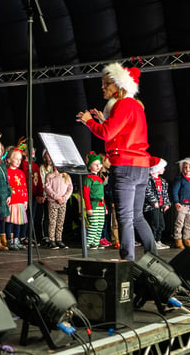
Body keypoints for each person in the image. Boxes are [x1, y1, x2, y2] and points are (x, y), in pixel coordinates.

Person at [77, 63, 156, 260]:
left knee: (125, 218)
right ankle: (153, 258)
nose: (103, 88)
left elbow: (107, 134)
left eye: (106, 84)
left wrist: (89, 121)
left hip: (126, 167)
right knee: (137, 216)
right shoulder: (136, 107)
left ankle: (127, 261)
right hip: (141, 166)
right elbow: (121, 132)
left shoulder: (122, 104)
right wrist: (101, 119)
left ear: (120, 86)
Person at [145, 156, 171, 250]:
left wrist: (166, 203)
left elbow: (165, 193)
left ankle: (158, 240)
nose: (164, 169)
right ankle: (152, 241)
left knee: (161, 224)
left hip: (160, 206)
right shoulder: (148, 180)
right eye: (162, 167)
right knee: (154, 224)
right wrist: (153, 201)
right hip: (152, 207)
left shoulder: (163, 181)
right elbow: (147, 192)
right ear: (156, 168)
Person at [44, 164, 73, 249]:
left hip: (63, 202)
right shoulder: (50, 176)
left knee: (60, 221)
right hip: (53, 201)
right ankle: (51, 239)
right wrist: (56, 197)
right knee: (53, 221)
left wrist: (64, 197)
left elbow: (70, 188)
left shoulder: (66, 176)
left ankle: (59, 239)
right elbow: (47, 188)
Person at [5, 147, 28, 250]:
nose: (18, 161)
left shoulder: (21, 173)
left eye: (20, 159)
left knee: (18, 221)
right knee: (10, 221)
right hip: (11, 201)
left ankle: (17, 239)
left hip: (20, 200)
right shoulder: (6, 172)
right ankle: (9, 239)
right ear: (9, 159)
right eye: (16, 159)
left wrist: (25, 200)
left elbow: (24, 187)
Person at [83, 152, 107, 249]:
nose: (98, 166)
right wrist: (88, 207)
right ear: (90, 166)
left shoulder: (99, 178)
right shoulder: (88, 179)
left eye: (99, 164)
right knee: (94, 224)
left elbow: (102, 195)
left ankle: (95, 242)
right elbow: (86, 194)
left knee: (100, 224)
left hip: (101, 205)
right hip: (94, 205)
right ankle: (88, 242)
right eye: (95, 164)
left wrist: (105, 206)